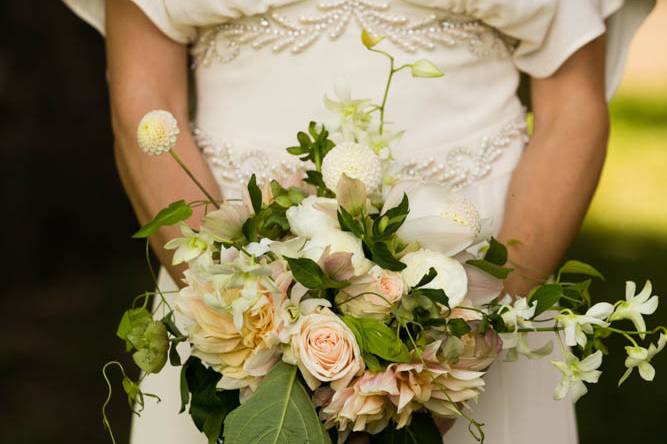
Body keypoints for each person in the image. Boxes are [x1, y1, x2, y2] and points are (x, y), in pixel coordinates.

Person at [62, 0, 654, 442]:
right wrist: (241, 323)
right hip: (228, 293)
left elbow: (571, 110)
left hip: (487, 292)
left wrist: (462, 351)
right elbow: (143, 95)